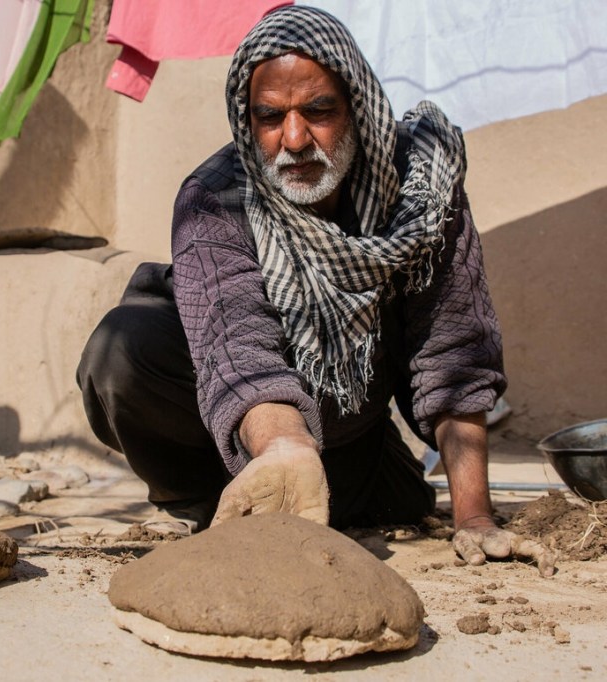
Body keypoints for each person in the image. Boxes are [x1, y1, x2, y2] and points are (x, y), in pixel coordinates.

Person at [77, 5, 553, 575]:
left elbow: (452, 353)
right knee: (123, 347)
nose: (295, 138)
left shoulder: (422, 189)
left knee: (393, 507)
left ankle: (331, 487)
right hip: (247, 432)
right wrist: (284, 449)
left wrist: (475, 519)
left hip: (351, 441)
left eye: (319, 111)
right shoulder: (215, 199)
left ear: (357, 105)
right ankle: (206, 506)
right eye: (271, 117)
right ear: (246, 120)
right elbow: (238, 348)